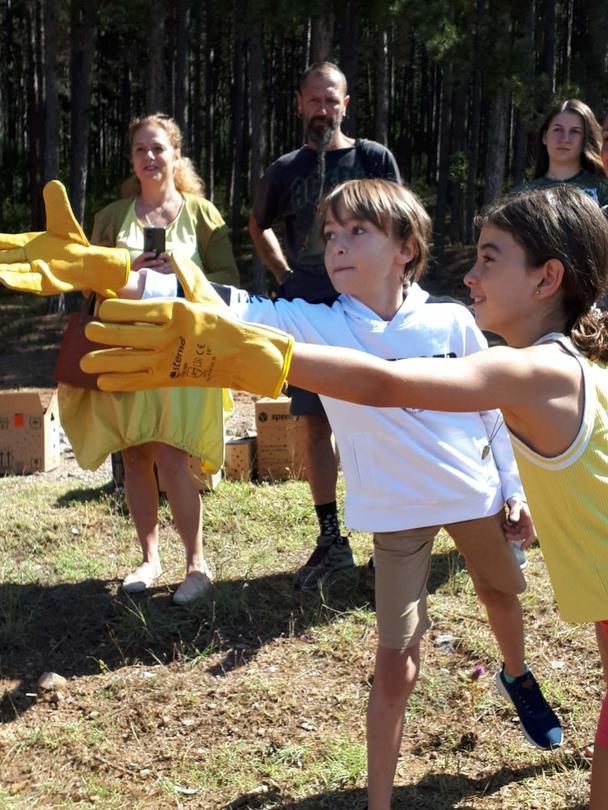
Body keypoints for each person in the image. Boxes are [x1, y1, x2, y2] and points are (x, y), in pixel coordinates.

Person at [82, 180, 563, 810]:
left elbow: (492, 410)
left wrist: (513, 486)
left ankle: (517, 675)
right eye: (330, 235)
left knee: (501, 593)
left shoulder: (453, 318)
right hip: (395, 517)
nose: (336, 246)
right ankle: (377, 802)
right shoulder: (314, 322)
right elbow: (234, 308)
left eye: (356, 232)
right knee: (396, 665)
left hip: (473, 494)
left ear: (405, 248)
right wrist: (127, 277)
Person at [65, 113, 239, 605]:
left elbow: (226, 282)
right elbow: (87, 280)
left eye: (159, 148)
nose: (149, 157)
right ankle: (148, 556)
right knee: (134, 452)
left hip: (183, 355)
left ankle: (196, 564)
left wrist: (179, 274)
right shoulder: (111, 216)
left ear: (176, 155)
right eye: (140, 149)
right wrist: (127, 269)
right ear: (132, 158)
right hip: (124, 350)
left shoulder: (202, 215)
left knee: (172, 452)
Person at [249, 61, 401, 589]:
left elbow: (398, 220)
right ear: (300, 104)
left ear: (346, 102)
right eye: (313, 99)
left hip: (368, 305)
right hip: (308, 304)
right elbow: (257, 222)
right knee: (316, 421)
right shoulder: (286, 168)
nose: (322, 109)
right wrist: (285, 273)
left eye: (330, 99)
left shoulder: (373, 158)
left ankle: (391, 535)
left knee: (381, 415)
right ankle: (330, 537)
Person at [519, 98, 608, 206]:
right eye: (557, 130)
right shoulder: (521, 196)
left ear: (586, 139)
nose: (565, 139)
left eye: (574, 131)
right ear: (544, 137)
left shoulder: (603, 190)